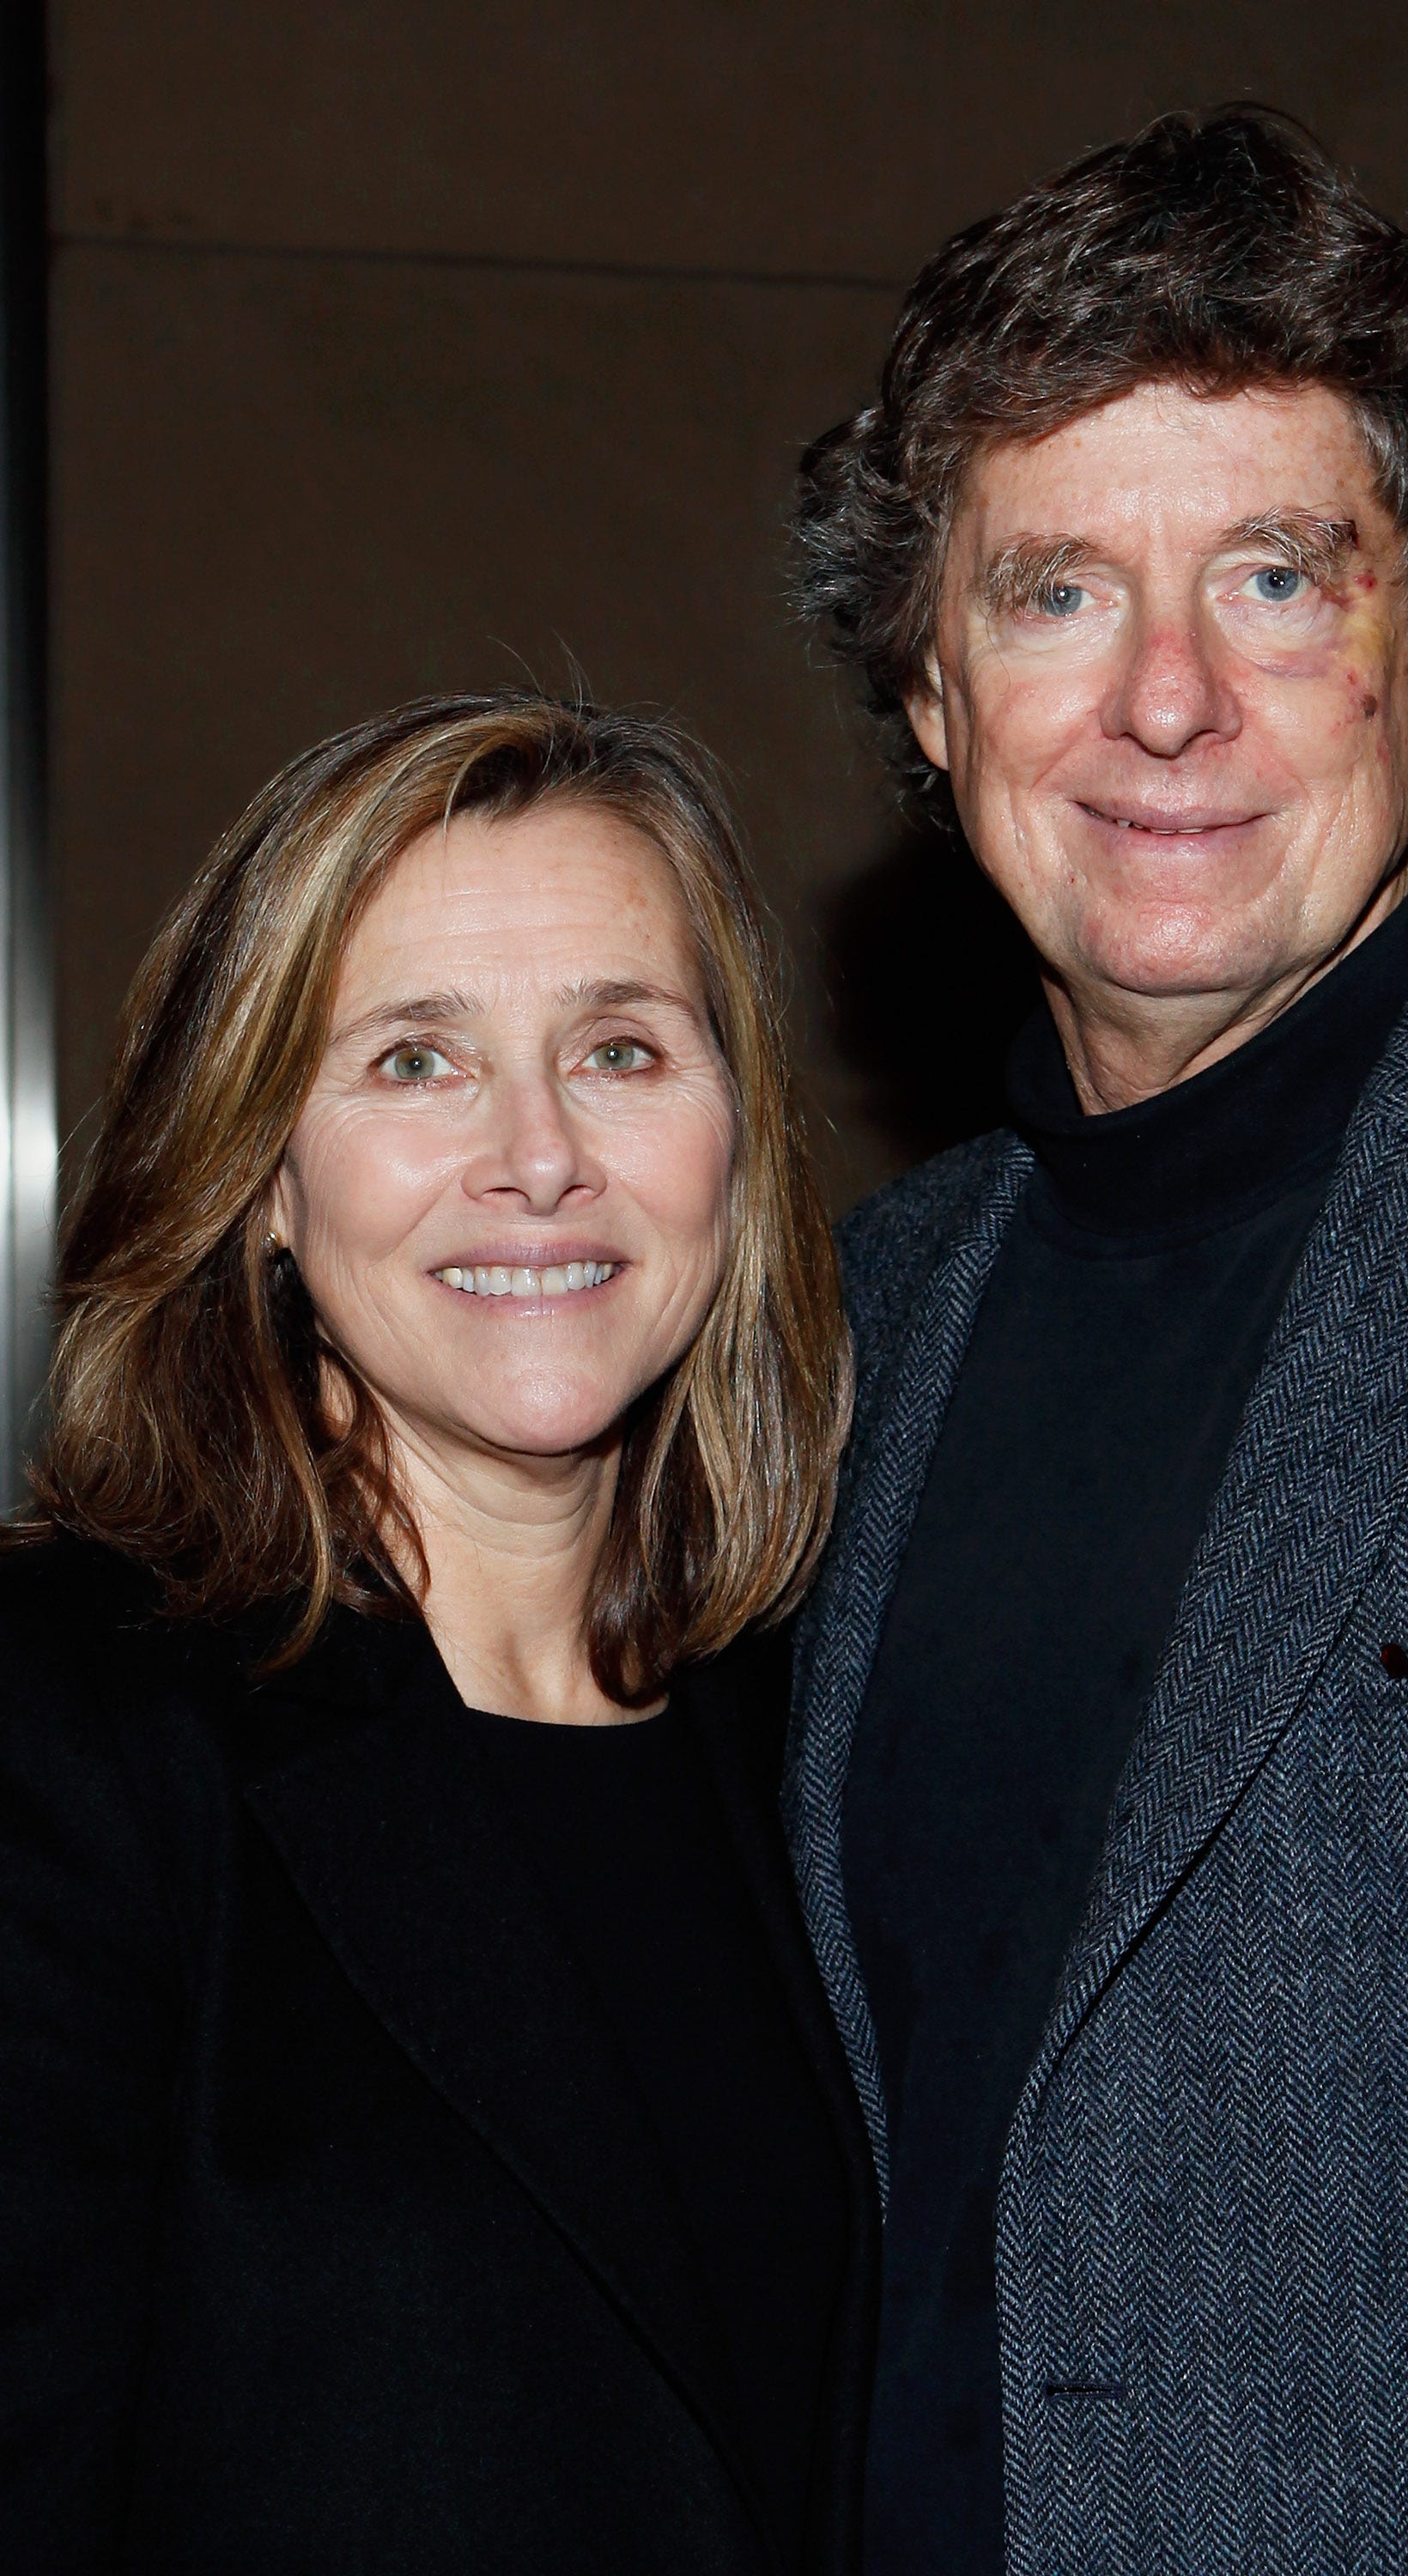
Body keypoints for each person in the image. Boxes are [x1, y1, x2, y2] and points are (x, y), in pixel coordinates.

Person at [789, 106, 1408, 2575]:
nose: (1168, 701)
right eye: (1058, 592)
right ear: (926, 692)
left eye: (1279, 579)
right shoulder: (862, 1318)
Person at [0, 690, 877, 2574]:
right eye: (415, 1063)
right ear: (259, 1180)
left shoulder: (829, 1723)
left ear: (735, 1141)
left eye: (623, 1049)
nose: (539, 1156)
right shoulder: (65, 1726)